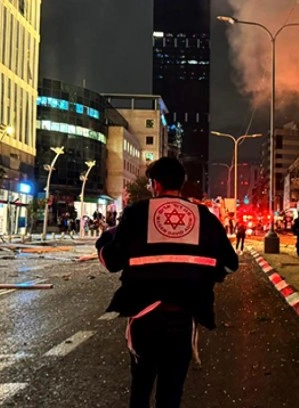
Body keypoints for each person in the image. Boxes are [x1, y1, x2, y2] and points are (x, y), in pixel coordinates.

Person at [96, 157, 238, 408]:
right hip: (183, 317)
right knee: (171, 394)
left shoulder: (137, 213)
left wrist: (104, 241)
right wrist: (206, 274)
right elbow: (230, 264)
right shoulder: (203, 217)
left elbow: (112, 262)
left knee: (141, 389)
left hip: (144, 317)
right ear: (182, 183)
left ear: (155, 184)